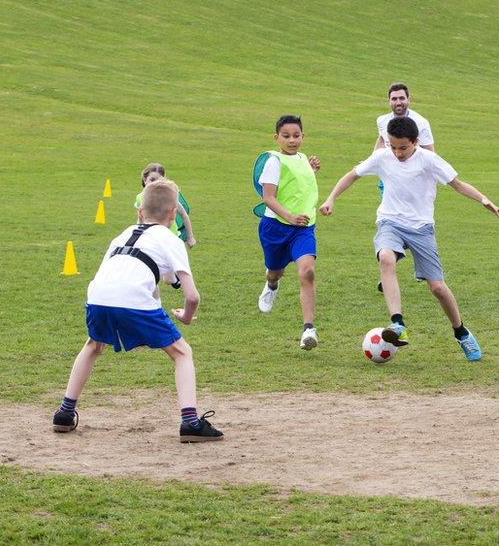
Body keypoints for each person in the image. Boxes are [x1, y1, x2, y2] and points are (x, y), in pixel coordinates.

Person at [319, 116, 499, 361]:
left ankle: (461, 332)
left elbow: (458, 184)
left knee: (438, 288)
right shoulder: (383, 156)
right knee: (386, 259)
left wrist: (484, 199)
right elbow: (351, 175)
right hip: (390, 221)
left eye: (403, 148)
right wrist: (331, 198)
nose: (397, 153)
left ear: (416, 142)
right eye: (393, 147)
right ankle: (397, 323)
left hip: (421, 227)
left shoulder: (428, 160)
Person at [52, 180, 223, 442]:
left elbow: (126, 273)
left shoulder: (122, 235)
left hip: (98, 297)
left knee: (93, 345)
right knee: (182, 352)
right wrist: (185, 317)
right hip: (132, 299)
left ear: (140, 212)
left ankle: (64, 413)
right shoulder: (172, 240)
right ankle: (190, 423)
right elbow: (192, 296)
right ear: (173, 214)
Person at [255, 115, 322, 350]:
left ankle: (308, 329)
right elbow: (268, 198)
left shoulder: (303, 158)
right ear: (277, 138)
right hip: (275, 228)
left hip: (303, 229)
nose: (292, 140)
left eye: (296, 135)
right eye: (286, 136)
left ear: (303, 136)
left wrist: (311, 171)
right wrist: (290, 217)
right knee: (275, 272)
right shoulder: (274, 161)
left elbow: (299, 187)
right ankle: (272, 286)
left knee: (307, 272)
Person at [374, 83, 436, 292]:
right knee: (393, 219)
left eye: (402, 98)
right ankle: (388, 266)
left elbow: (430, 153)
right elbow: (382, 142)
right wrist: (373, 162)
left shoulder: (421, 123)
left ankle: (419, 262)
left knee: (411, 221)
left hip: (415, 183)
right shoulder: (382, 121)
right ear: (388, 101)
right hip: (391, 178)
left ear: (409, 99)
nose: (398, 102)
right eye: (394, 99)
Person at [136, 163, 196, 248]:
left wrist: (190, 237)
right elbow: (140, 219)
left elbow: (184, 215)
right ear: (145, 180)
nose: (155, 183)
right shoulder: (140, 198)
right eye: (152, 180)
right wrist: (137, 234)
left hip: (171, 237)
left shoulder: (168, 197)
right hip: (152, 238)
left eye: (159, 180)